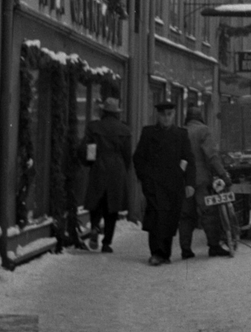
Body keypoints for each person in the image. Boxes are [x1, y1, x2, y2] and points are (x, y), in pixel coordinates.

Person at [132, 96, 196, 265]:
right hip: (154, 183)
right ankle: (156, 253)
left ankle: (165, 253)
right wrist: (145, 178)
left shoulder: (181, 135)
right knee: (156, 216)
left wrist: (189, 183)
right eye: (163, 115)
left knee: (170, 218)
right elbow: (138, 158)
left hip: (174, 184)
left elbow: (188, 158)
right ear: (158, 116)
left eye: (169, 114)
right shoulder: (149, 133)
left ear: (174, 115)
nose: (166, 118)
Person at [178, 103, 234, 258]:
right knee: (209, 213)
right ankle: (214, 246)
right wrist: (223, 175)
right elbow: (212, 156)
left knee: (186, 215)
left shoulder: (180, 131)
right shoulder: (204, 131)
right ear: (200, 117)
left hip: (184, 180)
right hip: (201, 179)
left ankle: (185, 249)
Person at [80, 96, 133, 253]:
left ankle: (95, 226)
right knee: (113, 208)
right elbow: (127, 154)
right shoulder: (124, 129)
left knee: (96, 202)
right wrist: (124, 170)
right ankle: (107, 243)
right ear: (116, 113)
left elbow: (87, 148)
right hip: (117, 169)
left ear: (103, 111)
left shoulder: (94, 127)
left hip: (99, 167)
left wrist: (90, 163)